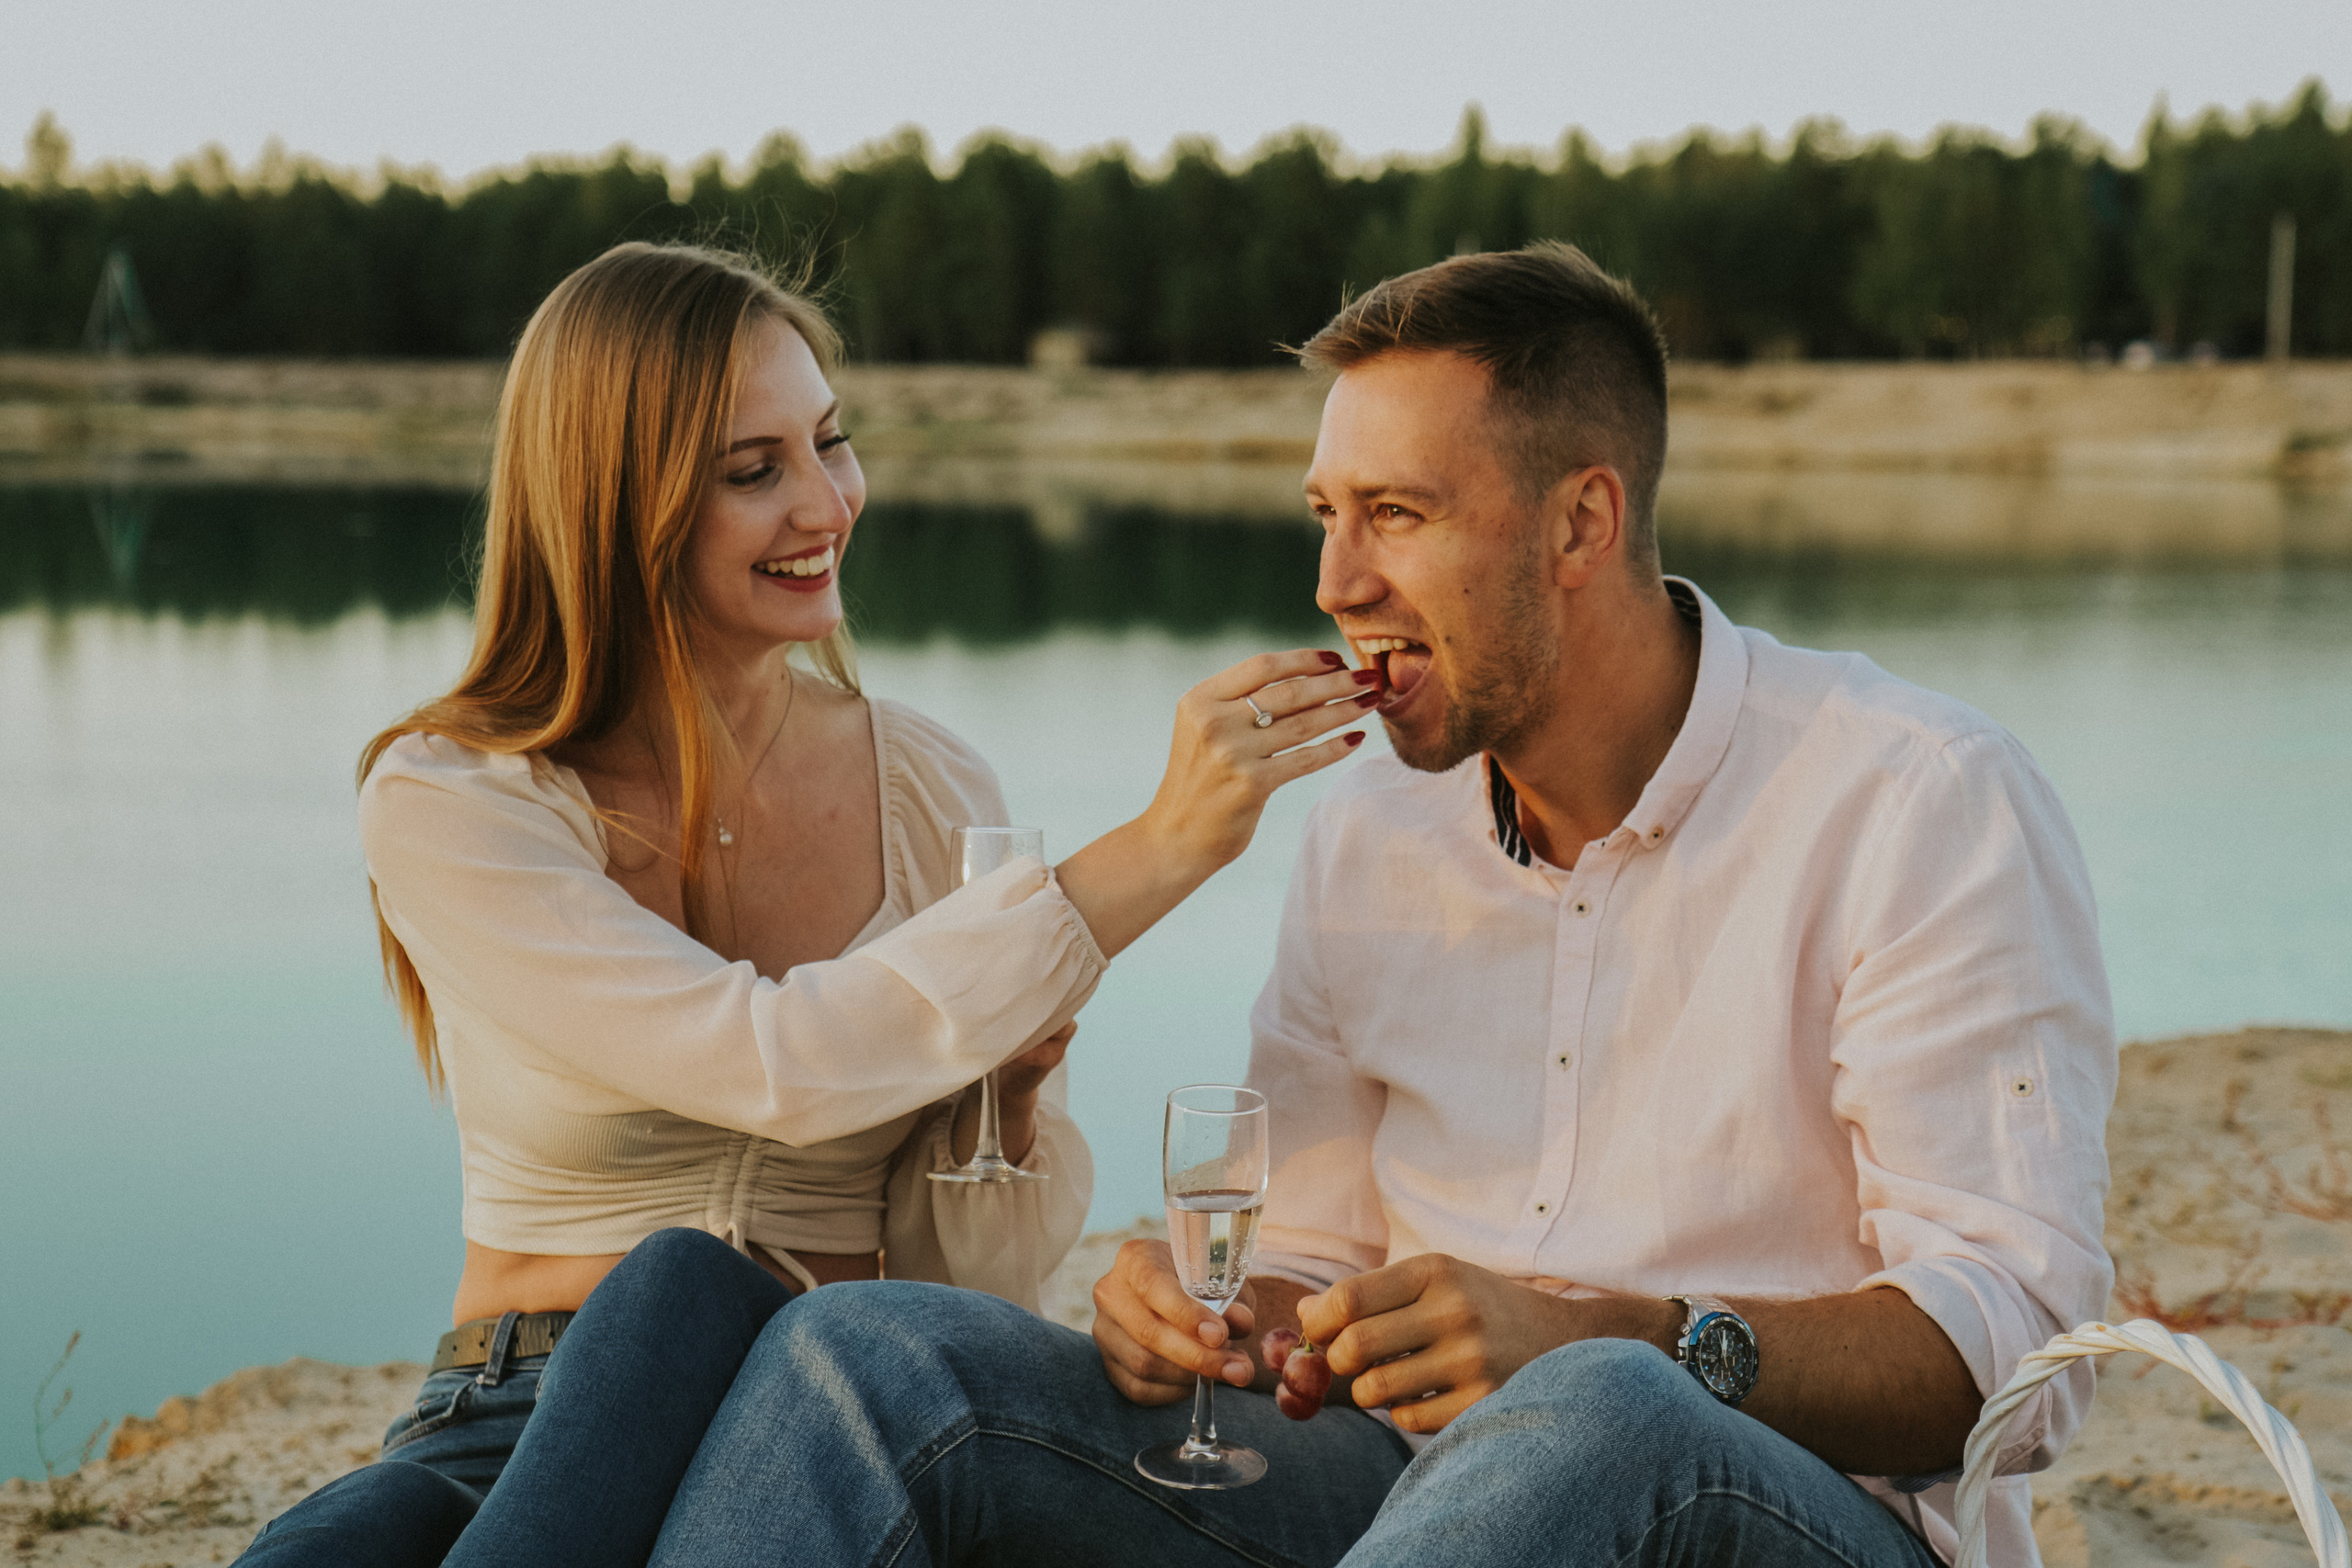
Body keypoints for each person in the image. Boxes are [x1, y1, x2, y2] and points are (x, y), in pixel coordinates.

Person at [318, 241, 2115, 1568]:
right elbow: (1305, 1253)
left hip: (1784, 1512)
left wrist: (1615, 1334)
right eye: (1325, 512)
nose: (1334, 580)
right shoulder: (1376, 825)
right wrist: (1196, 1309)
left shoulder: (1913, 796)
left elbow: (2026, 1347)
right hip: (1412, 1496)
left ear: (1579, 523)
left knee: (1589, 1404)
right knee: (860, 1357)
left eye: (1394, 515)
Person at [234, 241, 1375, 1566]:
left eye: (830, 442)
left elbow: (967, 1292)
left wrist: (996, 1112)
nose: (827, 503)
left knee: (695, 1290)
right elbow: (768, 1062)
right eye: (751, 471)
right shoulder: (455, 798)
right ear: (614, 506)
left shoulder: (931, 787)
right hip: (521, 1418)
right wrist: (1160, 848)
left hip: (818, 1420)